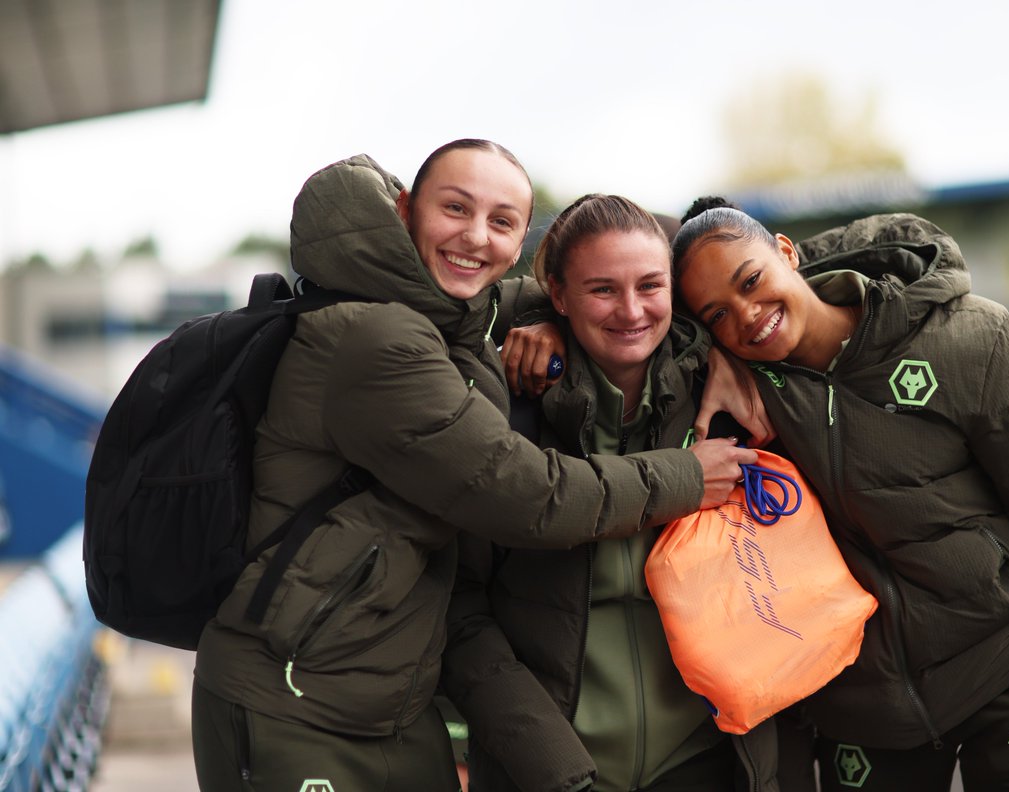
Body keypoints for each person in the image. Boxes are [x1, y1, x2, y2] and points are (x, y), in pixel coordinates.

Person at [189, 143, 757, 792]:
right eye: (455, 209)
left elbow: (528, 294)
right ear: (407, 215)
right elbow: (532, 498)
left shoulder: (442, 319)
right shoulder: (381, 340)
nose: (476, 237)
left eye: (502, 220)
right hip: (294, 691)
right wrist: (689, 474)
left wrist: (725, 340)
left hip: (392, 702)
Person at [672, 200, 1009, 792]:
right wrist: (539, 324)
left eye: (751, 281)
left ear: (787, 252)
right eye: (718, 316)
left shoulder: (969, 336)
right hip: (864, 715)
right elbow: (618, 311)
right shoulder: (744, 391)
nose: (748, 316)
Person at [440, 194, 788, 792]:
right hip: (550, 771)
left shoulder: (731, 399)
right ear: (557, 294)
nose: (631, 311)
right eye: (602, 290)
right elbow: (457, 607)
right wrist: (544, 758)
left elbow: (803, 283)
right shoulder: (503, 414)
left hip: (708, 763)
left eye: (650, 285)